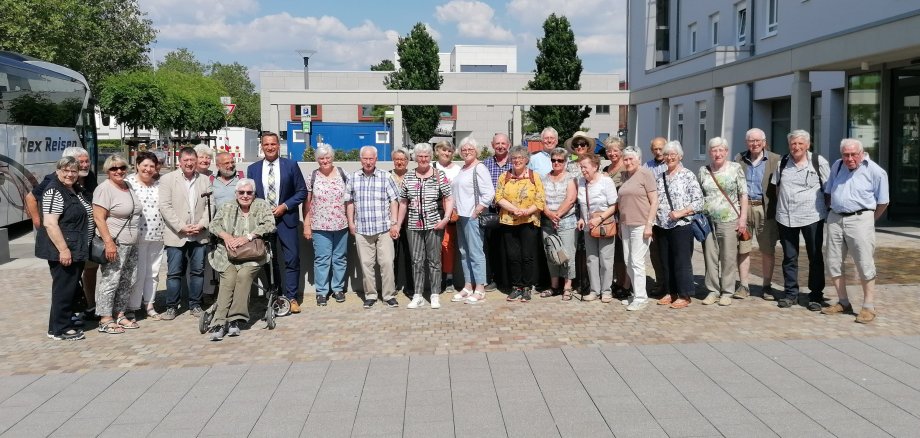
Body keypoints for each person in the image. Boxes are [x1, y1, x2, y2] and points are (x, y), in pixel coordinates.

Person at [26, 147, 98, 321]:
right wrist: (38, 222)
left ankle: (88, 307)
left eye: (86, 160)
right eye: (80, 162)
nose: (85, 164)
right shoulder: (54, 181)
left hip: (84, 240)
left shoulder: (88, 178)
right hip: (67, 242)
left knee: (88, 272)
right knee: (67, 282)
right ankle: (65, 318)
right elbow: (31, 198)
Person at [821, 139, 889, 324]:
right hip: (835, 218)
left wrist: (869, 219)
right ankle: (843, 302)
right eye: (845, 155)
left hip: (860, 219)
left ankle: (868, 306)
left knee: (864, 262)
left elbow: (883, 201)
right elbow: (829, 190)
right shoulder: (837, 165)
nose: (849, 158)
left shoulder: (875, 171)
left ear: (862, 153)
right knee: (833, 261)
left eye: (853, 154)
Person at [206, 179, 275, 340]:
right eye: (241, 192)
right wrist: (226, 236)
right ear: (236, 194)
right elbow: (213, 225)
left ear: (254, 194)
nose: (245, 196)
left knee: (244, 277)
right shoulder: (227, 207)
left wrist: (248, 236)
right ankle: (219, 321)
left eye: (249, 192)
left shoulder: (261, 205)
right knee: (228, 279)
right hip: (227, 253)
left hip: (252, 254)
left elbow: (270, 225)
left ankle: (235, 319)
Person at [246, 132, 307, 313]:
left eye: (273, 144)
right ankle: (276, 296)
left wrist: (285, 206)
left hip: (286, 220)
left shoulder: (291, 165)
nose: (270, 147)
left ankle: (291, 297)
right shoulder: (253, 169)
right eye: (266, 144)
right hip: (264, 222)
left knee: (292, 259)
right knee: (269, 261)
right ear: (262, 146)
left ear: (279, 146)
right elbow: (250, 195)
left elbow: (302, 191)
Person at [771, 129, 829, 310]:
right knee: (789, 257)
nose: (796, 147)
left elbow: (828, 190)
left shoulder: (819, 162)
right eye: (793, 144)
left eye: (800, 144)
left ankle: (816, 296)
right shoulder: (782, 162)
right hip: (786, 217)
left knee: (815, 256)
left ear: (808, 145)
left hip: (812, 216)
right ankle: (791, 294)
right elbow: (776, 187)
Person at [36, 156, 92, 340]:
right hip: (65, 248)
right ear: (58, 171)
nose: (70, 174)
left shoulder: (73, 189)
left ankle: (55, 327)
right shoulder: (54, 191)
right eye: (65, 170)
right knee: (64, 289)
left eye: (73, 171)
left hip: (76, 246)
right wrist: (64, 249)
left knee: (66, 288)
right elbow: (50, 224)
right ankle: (62, 328)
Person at [397, 143, 453, 309]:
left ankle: (435, 294)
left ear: (430, 157)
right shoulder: (409, 177)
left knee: (434, 260)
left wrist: (446, 218)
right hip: (413, 225)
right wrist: (398, 224)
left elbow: (449, 198)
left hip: (434, 224)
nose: (423, 159)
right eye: (420, 156)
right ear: (415, 158)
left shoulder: (439, 175)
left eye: (426, 156)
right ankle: (418, 294)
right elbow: (403, 203)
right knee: (417, 261)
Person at [158, 146, 212, 320]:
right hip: (177, 234)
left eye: (192, 160)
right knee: (174, 273)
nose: (189, 164)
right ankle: (171, 307)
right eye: (185, 160)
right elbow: (165, 206)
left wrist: (202, 225)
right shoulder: (167, 179)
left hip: (199, 233)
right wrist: (181, 226)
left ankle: (195, 305)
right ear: (179, 162)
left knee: (198, 271)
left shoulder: (205, 180)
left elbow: (211, 206)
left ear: (196, 161)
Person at [346, 146, 401, 309]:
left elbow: (394, 201)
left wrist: (394, 223)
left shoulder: (386, 176)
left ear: (376, 159)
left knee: (387, 263)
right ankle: (370, 295)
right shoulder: (353, 177)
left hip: (384, 228)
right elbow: (349, 202)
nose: (368, 162)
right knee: (366, 265)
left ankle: (389, 295)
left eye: (371, 159)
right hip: (362, 229)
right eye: (365, 158)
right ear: (360, 159)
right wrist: (351, 223)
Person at [93, 155, 142, 334]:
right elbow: (98, 217)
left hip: (132, 243)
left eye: (121, 167)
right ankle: (105, 319)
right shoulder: (104, 189)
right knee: (110, 280)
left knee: (128, 280)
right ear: (107, 171)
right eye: (113, 168)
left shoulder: (127, 186)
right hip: (116, 243)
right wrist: (109, 243)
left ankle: (120, 313)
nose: (118, 171)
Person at [698, 137, 748, 307]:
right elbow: (699, 195)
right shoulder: (703, 171)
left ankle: (727, 291)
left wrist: (743, 219)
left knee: (728, 257)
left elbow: (743, 195)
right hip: (708, 220)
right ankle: (712, 290)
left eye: (721, 150)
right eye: (714, 150)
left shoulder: (735, 168)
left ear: (726, 152)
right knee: (710, 257)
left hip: (729, 220)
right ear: (710, 152)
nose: (717, 153)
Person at [655, 141, 704, 309]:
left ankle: (685, 294)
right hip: (661, 225)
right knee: (666, 260)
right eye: (667, 154)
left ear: (680, 156)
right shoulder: (660, 177)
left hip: (681, 225)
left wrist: (681, 212)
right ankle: (670, 292)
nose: (669, 157)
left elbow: (699, 202)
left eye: (673, 154)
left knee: (681, 260)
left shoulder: (688, 175)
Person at [734, 128, 781, 300]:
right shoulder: (739, 159)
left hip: (765, 209)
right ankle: (744, 285)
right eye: (751, 141)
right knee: (743, 249)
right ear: (747, 142)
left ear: (764, 142)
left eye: (757, 141)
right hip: (744, 209)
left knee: (767, 249)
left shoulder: (775, 159)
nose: (754, 144)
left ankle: (766, 286)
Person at [496, 145, 545, 301]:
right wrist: (514, 209)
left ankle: (527, 287)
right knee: (513, 256)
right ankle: (516, 286)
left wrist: (526, 211)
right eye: (514, 158)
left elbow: (540, 199)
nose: (517, 160)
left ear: (526, 160)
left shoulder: (534, 176)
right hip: (509, 221)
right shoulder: (504, 176)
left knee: (528, 256)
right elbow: (498, 197)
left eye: (520, 158)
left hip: (529, 221)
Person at [302, 145, 349, 306]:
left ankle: (338, 288)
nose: (325, 161)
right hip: (320, 226)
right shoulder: (312, 176)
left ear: (332, 157)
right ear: (317, 160)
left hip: (341, 224)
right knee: (322, 259)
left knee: (340, 259)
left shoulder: (343, 174)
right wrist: (306, 225)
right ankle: (321, 291)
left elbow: (351, 199)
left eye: (327, 157)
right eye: (321, 158)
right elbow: (307, 203)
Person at [450, 137, 495, 304]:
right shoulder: (463, 169)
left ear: (476, 151)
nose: (467, 152)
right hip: (461, 216)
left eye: (470, 149)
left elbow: (489, 193)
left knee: (476, 252)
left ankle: (480, 288)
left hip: (472, 216)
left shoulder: (479, 168)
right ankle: (468, 285)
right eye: (463, 149)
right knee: (464, 252)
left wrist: (479, 208)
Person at [616, 146, 658, 311]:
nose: (628, 162)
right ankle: (636, 292)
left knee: (637, 261)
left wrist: (649, 224)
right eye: (625, 159)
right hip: (626, 224)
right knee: (628, 261)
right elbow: (622, 203)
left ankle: (641, 298)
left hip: (641, 224)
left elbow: (654, 201)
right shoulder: (625, 175)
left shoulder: (645, 174)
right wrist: (620, 224)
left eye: (631, 159)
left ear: (638, 159)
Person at [125, 152, 165, 321]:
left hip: (158, 234)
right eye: (145, 165)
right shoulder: (129, 183)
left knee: (153, 272)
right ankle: (131, 306)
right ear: (137, 165)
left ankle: (149, 303)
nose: (148, 169)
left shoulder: (159, 185)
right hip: (137, 235)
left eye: (151, 166)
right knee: (137, 272)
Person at [576, 153, 619, 302]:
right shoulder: (581, 182)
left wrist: (599, 218)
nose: (583, 170)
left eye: (585, 167)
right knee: (591, 259)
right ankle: (594, 290)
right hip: (589, 226)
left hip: (604, 224)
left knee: (606, 259)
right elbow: (582, 204)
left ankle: (606, 291)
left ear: (595, 166)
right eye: (581, 167)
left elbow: (614, 205)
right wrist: (582, 218)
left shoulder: (606, 181)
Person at [540, 147, 577, 300]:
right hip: (547, 221)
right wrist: (548, 213)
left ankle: (567, 286)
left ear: (565, 161)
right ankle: (554, 286)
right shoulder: (544, 178)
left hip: (566, 221)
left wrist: (557, 215)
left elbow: (570, 199)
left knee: (567, 254)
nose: (556, 163)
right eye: (553, 160)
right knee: (551, 253)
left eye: (560, 160)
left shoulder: (571, 178)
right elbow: (540, 199)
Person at [481, 133, 512, 291]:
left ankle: (510, 280)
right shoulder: (485, 164)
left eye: (503, 143)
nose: (500, 146)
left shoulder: (516, 163)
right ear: (492, 145)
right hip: (491, 212)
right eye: (497, 143)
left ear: (509, 145)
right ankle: (493, 279)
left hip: (512, 212)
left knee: (510, 247)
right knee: (491, 247)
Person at [602, 137, 629, 297]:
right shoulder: (606, 170)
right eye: (609, 150)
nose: (612, 153)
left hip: (622, 215)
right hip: (609, 216)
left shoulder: (626, 169)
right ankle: (618, 282)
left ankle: (626, 283)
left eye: (615, 150)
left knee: (623, 251)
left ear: (621, 151)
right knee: (615, 252)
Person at [434, 140, 460, 294]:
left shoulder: (458, 169)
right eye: (443, 150)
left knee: (447, 245)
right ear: (437, 151)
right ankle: (436, 278)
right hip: (434, 211)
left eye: (449, 151)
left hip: (451, 212)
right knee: (434, 247)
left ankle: (449, 278)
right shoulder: (431, 168)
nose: (446, 153)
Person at [644, 136, 668, 297]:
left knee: (668, 252)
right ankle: (660, 283)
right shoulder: (647, 167)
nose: (658, 152)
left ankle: (670, 284)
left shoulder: (673, 163)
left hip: (669, 216)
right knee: (655, 253)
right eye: (655, 149)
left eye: (661, 149)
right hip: (652, 216)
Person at [390, 148, 414, 295]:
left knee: (410, 255)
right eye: (397, 159)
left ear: (407, 161)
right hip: (392, 222)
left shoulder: (413, 176)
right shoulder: (387, 176)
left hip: (410, 221)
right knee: (392, 255)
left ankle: (410, 287)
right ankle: (392, 286)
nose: (400, 162)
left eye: (403, 159)